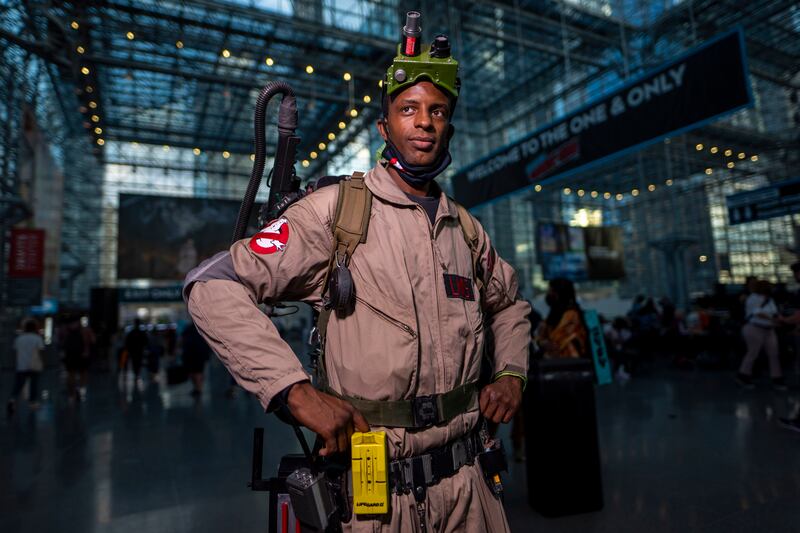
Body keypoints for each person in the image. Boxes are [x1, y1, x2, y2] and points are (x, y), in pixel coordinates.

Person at [183, 13, 530, 532]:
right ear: (384, 126)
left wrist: (510, 372)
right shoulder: (335, 213)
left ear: (449, 127)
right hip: (378, 498)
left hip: (470, 490)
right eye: (408, 109)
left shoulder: (467, 230)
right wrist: (295, 392)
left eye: (437, 111)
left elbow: (508, 303)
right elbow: (210, 284)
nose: (424, 122)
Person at [737, 280, 785, 390]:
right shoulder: (753, 298)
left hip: (769, 329)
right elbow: (757, 313)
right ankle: (743, 375)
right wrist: (773, 319)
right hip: (754, 328)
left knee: (774, 354)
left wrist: (779, 319)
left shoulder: (769, 299)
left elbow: (774, 312)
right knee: (753, 353)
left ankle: (777, 378)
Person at [535, 278, 588, 358]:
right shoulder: (553, 314)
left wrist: (544, 342)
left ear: (560, 294)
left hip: (572, 364)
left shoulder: (572, 315)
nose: (549, 295)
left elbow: (558, 339)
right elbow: (541, 337)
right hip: (556, 364)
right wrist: (541, 342)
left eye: (551, 291)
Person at [7, 319, 45, 416]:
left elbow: (15, 352)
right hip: (34, 365)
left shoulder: (19, 338)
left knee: (18, 385)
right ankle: (32, 402)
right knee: (34, 384)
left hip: (21, 365)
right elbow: (41, 351)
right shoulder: (37, 338)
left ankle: (12, 399)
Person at [180, 321, 211, 397]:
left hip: (193, 354)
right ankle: (198, 388)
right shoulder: (202, 329)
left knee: (196, 372)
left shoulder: (188, 329)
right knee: (197, 372)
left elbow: (183, 341)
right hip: (197, 354)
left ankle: (198, 389)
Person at [124, 318, 148, 383]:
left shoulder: (132, 333)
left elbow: (127, 343)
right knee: (138, 363)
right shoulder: (141, 333)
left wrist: (128, 350)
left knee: (135, 363)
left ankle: (136, 374)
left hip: (134, 351)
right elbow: (146, 342)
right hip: (139, 351)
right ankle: (137, 374)